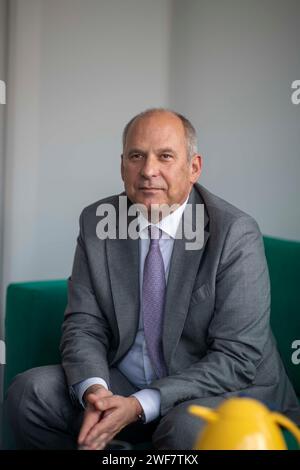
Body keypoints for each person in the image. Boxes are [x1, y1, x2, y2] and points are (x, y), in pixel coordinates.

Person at [6, 108, 300, 450]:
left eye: (165, 156)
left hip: (222, 391)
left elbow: (238, 358)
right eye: (136, 156)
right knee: (30, 394)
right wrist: (96, 393)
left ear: (194, 168)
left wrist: (139, 406)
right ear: (122, 166)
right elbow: (84, 323)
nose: (148, 171)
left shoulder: (234, 232)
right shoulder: (98, 222)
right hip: (126, 382)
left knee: (186, 429)